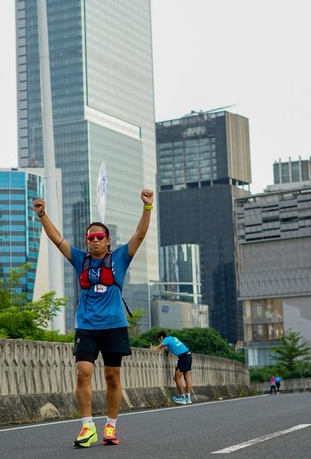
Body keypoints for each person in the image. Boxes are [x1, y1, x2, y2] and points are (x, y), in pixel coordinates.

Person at [33, 189, 154, 448]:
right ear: (87, 241)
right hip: (86, 326)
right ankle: (88, 427)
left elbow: (140, 235)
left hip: (114, 326)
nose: (95, 241)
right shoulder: (80, 259)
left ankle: (111, 425)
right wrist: (43, 215)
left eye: (100, 237)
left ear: (108, 241)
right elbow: (57, 240)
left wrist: (147, 207)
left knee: (112, 377)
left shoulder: (120, 258)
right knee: (83, 372)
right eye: (91, 237)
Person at [151, 330, 193, 405]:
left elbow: (159, 347)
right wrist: (158, 347)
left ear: (161, 337)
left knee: (176, 378)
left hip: (183, 358)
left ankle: (183, 398)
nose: (160, 342)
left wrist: (153, 348)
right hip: (189, 355)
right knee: (187, 378)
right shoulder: (172, 338)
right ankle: (188, 398)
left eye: (159, 340)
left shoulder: (166, 339)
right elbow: (167, 348)